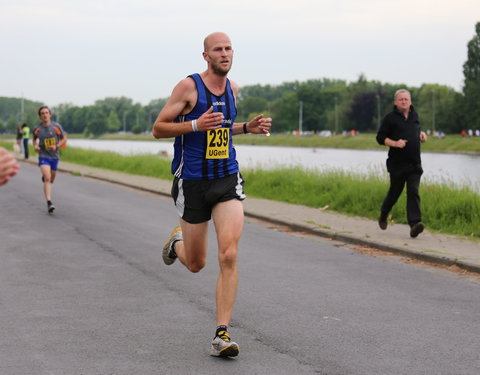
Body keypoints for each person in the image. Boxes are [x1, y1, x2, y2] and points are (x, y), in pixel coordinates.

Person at [152, 32, 272, 358]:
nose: (224, 53)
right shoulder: (189, 88)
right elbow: (158, 128)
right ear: (205, 56)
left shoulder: (233, 89)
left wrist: (246, 128)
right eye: (217, 49)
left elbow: (222, 126)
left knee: (229, 254)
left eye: (228, 48)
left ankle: (221, 334)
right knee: (196, 264)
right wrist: (194, 126)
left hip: (226, 178)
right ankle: (177, 242)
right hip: (191, 182)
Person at [376, 89, 427, 238]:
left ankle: (414, 224)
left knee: (413, 192)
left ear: (410, 101)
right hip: (397, 164)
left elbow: (417, 131)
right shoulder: (390, 118)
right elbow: (380, 137)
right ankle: (384, 214)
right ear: (395, 102)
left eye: (406, 99)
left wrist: (423, 136)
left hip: (414, 164)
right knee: (394, 193)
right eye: (401, 99)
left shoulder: (414, 116)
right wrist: (395, 143)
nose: (404, 101)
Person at [32, 106, 67, 214]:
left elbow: (64, 139)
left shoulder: (56, 126)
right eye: (42, 113)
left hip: (54, 157)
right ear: (40, 116)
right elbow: (34, 140)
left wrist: (56, 146)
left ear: (50, 115)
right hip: (43, 156)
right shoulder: (38, 129)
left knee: (51, 180)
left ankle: (46, 177)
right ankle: (49, 203)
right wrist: (35, 146)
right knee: (47, 178)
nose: (45, 115)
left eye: (46, 113)